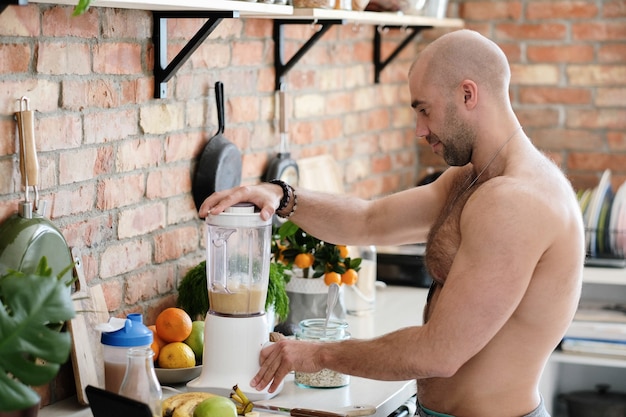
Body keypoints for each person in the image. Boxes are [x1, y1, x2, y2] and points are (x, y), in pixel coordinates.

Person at [199, 29, 584, 417]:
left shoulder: (516, 201)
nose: (420, 129)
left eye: (424, 110)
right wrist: (282, 196)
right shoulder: (471, 178)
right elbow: (369, 220)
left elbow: (440, 352)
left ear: (468, 95)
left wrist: (317, 354)